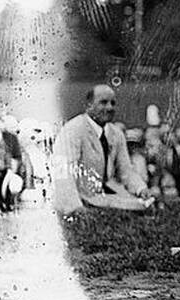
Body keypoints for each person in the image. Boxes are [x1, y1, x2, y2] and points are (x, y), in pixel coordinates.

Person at [51, 85, 155, 214]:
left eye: (113, 103)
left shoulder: (116, 133)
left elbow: (126, 170)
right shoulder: (73, 130)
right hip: (79, 197)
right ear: (89, 105)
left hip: (105, 195)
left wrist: (141, 189)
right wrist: (75, 208)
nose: (110, 108)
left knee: (145, 206)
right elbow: (64, 173)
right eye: (103, 102)